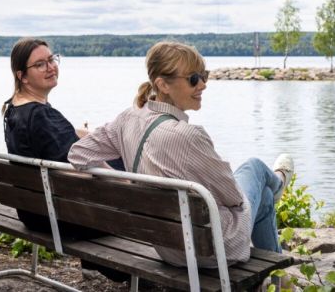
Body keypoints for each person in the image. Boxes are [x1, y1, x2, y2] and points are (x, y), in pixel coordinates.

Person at [68, 41, 294, 268]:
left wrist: (126, 180)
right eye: (193, 79)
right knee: (254, 168)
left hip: (168, 248)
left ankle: (278, 274)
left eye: (204, 76)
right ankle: (278, 184)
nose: (203, 85)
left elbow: (79, 154)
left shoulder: (128, 119)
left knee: (263, 197)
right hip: (214, 249)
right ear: (162, 84)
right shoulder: (189, 136)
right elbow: (234, 197)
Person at [2, 37, 127, 281]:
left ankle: (94, 265)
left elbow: (51, 145)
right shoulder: (42, 116)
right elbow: (82, 168)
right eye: (40, 64)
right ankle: (114, 266)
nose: (50, 67)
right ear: (22, 76)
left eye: (51, 59)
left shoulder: (14, 110)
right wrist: (126, 181)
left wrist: (81, 134)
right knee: (124, 163)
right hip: (61, 216)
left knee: (114, 158)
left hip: (33, 212)